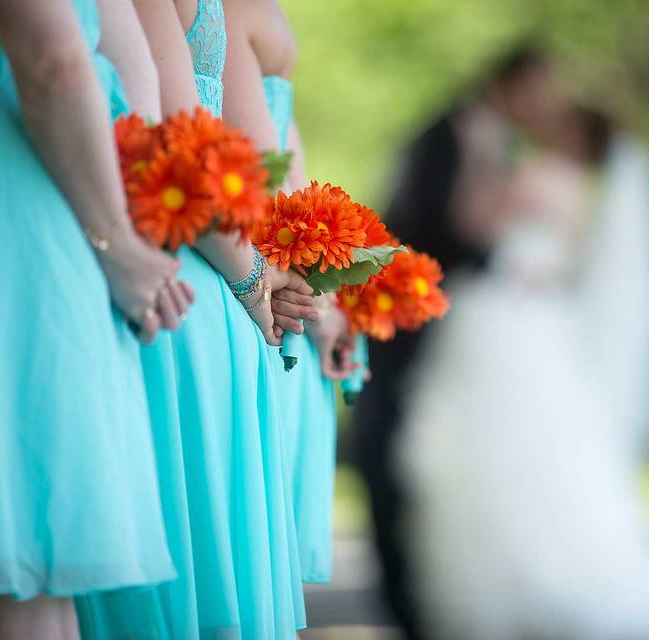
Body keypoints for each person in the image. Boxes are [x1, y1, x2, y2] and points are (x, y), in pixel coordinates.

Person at [397, 102, 649, 639]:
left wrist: (487, 163)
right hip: (524, 327)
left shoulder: (541, 177)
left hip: (517, 325)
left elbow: (477, 223)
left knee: (524, 454)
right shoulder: (571, 188)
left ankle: (532, 589)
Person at [77, 1, 314, 637]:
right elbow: (174, 141)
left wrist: (272, 272)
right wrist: (259, 277)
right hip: (189, 279)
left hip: (202, 273)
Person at [0, 0, 192, 637]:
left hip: (44, 206)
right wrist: (118, 243)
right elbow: (52, 58)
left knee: (33, 576)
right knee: (9, 583)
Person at [351, 44, 566, 639]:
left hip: (468, 321)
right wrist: (497, 258)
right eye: (538, 90)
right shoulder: (445, 134)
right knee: (396, 464)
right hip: (410, 324)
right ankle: (411, 612)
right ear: (509, 83)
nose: (544, 106)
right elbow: (425, 226)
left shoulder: (498, 139)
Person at [220, 0, 355, 587]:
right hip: (257, 282)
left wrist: (329, 289)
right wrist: (315, 293)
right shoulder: (236, 11)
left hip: (282, 277)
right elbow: (266, 174)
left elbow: (290, 173)